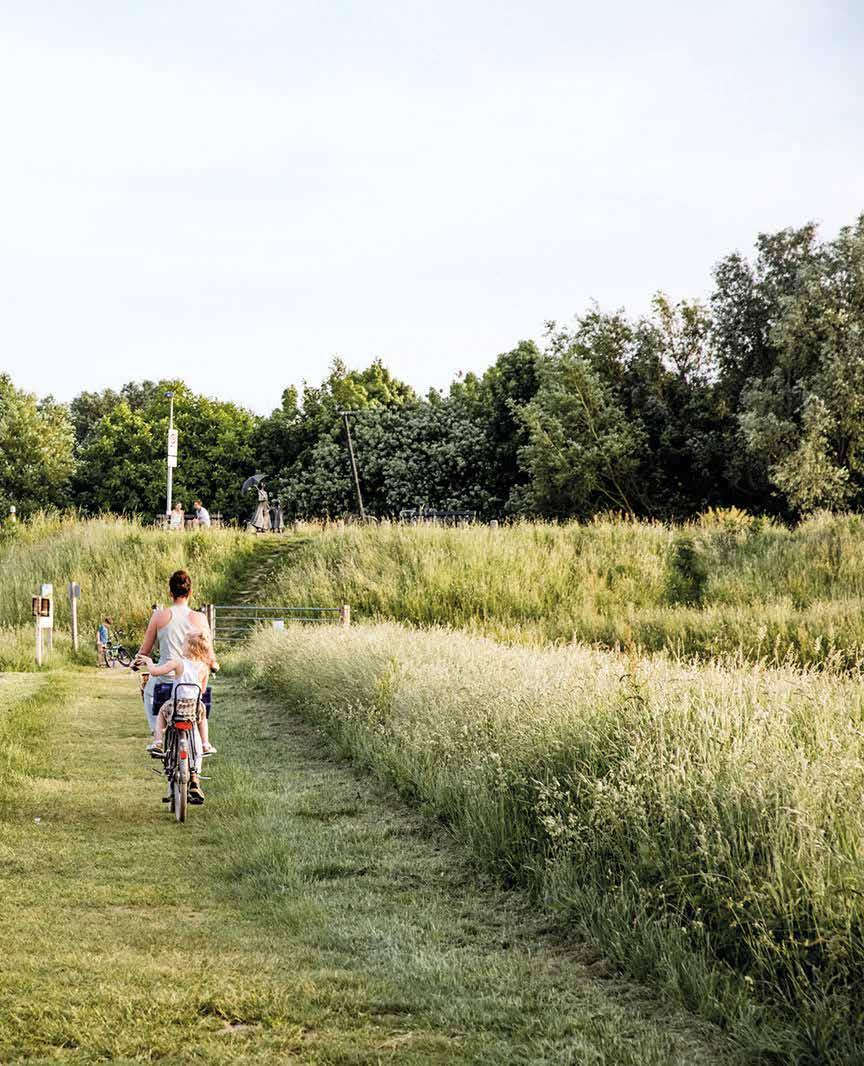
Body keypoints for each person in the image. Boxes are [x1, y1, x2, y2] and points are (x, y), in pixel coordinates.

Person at [138, 631, 216, 804]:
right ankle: (205, 743)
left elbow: (156, 672)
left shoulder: (178, 662)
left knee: (161, 713)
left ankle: (158, 742)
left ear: (188, 647)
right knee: (202, 717)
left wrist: (149, 661)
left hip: (176, 707)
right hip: (194, 709)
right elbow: (202, 691)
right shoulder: (204, 667)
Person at [135, 570, 214, 735]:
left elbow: (145, 650)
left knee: (148, 691)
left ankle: (156, 732)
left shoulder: (159, 616)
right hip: (192, 682)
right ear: (190, 592)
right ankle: (202, 741)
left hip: (165, 678)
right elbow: (209, 653)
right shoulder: (200, 618)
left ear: (170, 593)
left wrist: (136, 662)